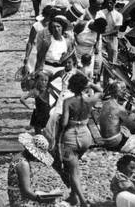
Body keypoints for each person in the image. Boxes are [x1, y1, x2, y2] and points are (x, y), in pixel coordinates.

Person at [56, 72, 101, 207]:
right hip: (86, 136)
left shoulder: (68, 102)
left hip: (71, 137)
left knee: (73, 171)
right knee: (74, 167)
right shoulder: (89, 100)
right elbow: (101, 91)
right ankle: (73, 196)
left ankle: (82, 202)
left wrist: (58, 137)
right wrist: (90, 84)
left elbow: (64, 123)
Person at [10, 133, 65, 205]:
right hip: (20, 200)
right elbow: (26, 191)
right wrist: (44, 199)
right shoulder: (23, 164)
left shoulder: (19, 157)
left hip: (16, 195)